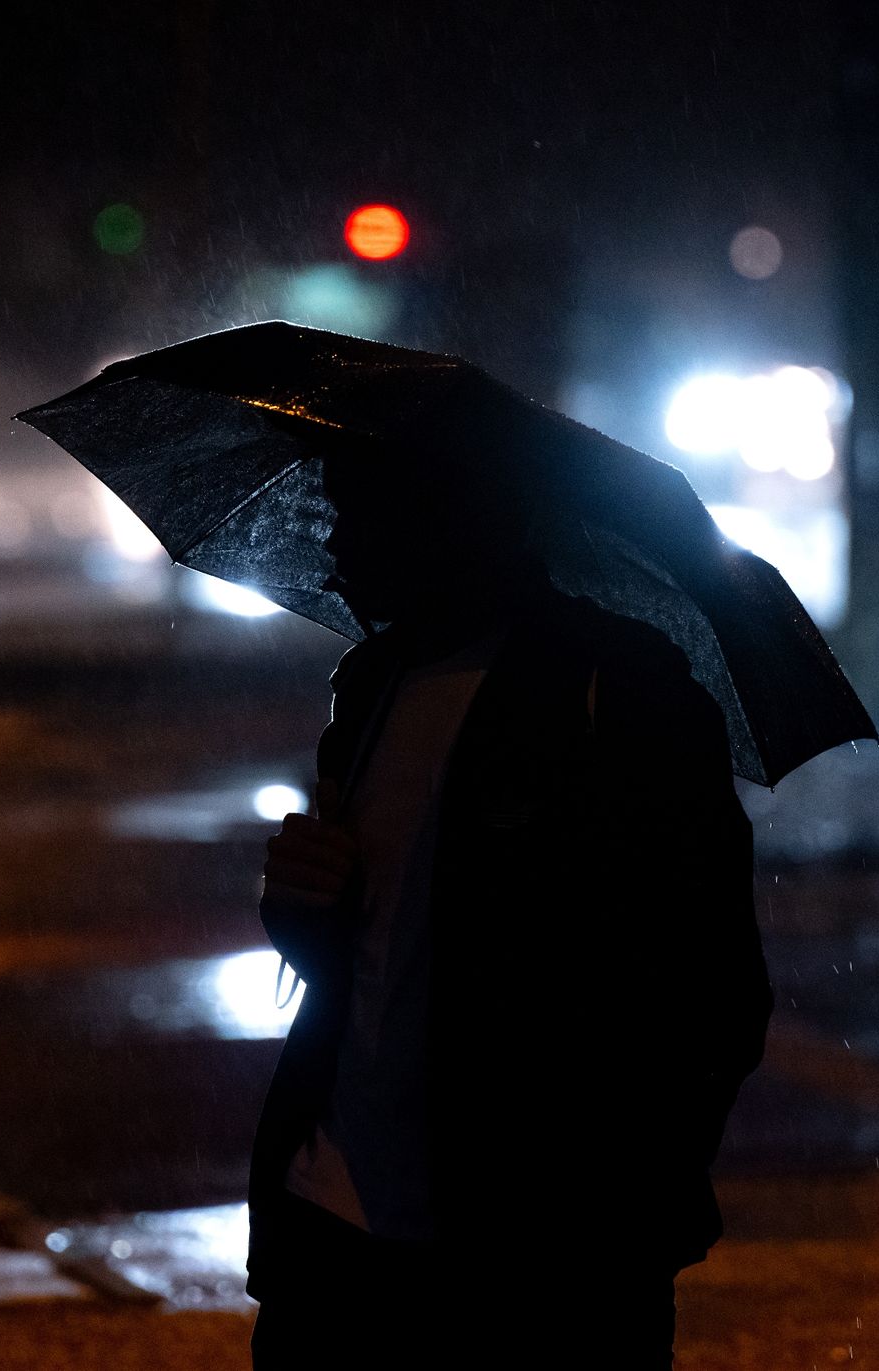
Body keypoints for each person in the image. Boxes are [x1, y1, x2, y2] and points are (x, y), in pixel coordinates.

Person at [244, 446, 773, 1368]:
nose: (332, 548)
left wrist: (617, 1202)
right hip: (336, 1232)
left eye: (354, 513)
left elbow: (714, 984)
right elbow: (371, 956)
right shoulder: (371, 686)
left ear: (440, 515)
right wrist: (301, 909)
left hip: (536, 1257)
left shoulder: (620, 686)